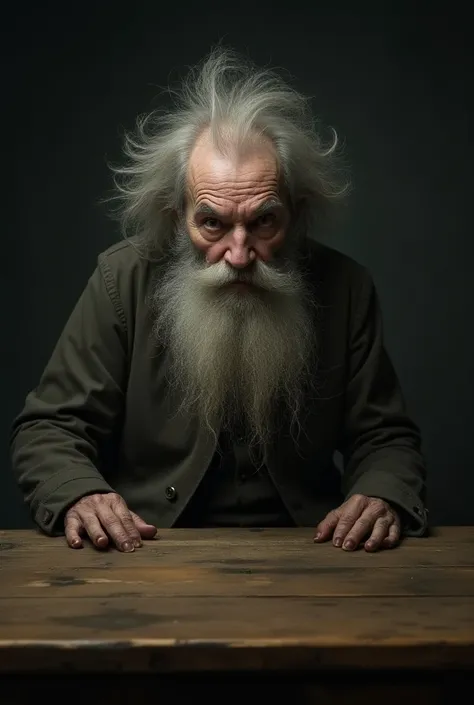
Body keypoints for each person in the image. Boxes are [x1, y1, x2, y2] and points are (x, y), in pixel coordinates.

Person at [9, 48, 428, 554]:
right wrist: (81, 493)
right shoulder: (122, 280)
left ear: (295, 214)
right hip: (147, 552)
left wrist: (381, 494)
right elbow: (49, 428)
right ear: (176, 213)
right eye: (212, 222)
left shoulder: (347, 287)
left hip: (311, 553)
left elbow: (385, 438)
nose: (238, 252)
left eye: (263, 222)